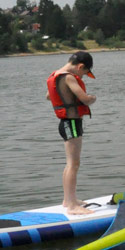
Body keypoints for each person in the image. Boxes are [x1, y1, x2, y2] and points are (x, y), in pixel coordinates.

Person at [46, 51, 98, 214]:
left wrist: (66, 97)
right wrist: (92, 98)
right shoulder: (69, 77)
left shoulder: (55, 75)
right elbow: (84, 99)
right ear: (80, 66)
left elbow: (49, 96)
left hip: (66, 123)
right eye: (84, 73)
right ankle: (72, 206)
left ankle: (69, 199)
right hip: (72, 123)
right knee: (73, 163)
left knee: (70, 163)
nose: (82, 77)